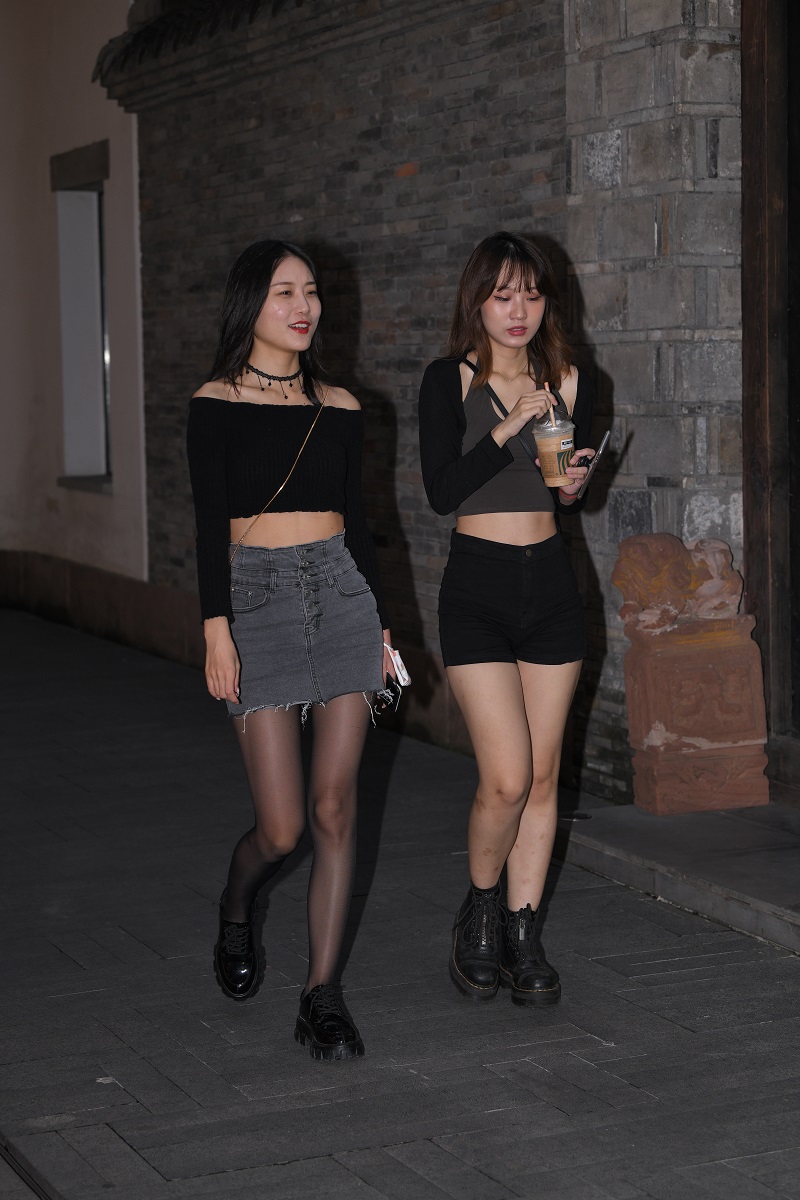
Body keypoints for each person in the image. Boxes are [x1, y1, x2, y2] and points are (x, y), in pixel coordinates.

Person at [187, 239, 395, 1061]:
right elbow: (209, 522)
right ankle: (237, 906)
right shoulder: (215, 402)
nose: (303, 306)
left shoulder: (341, 405)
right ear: (251, 303)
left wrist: (381, 625)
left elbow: (361, 522)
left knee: (335, 808)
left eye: (310, 291)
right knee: (280, 828)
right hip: (256, 602)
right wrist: (216, 627)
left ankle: (321, 996)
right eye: (284, 292)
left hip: (342, 596)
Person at [418, 231, 595, 1008]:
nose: (518, 309)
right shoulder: (448, 380)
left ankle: (523, 934)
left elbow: (561, 492)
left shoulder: (571, 379)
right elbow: (442, 491)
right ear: (477, 302)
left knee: (545, 774)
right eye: (502, 295)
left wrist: (573, 485)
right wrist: (506, 423)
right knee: (507, 777)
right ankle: (480, 911)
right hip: (478, 588)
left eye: (530, 293)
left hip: (550, 584)